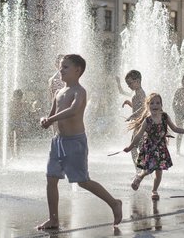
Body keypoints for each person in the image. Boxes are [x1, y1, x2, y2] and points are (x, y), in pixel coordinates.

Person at [37, 54, 122, 231]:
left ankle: (114, 203)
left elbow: (73, 110)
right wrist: (45, 119)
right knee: (51, 179)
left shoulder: (79, 91)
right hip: (58, 142)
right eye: (60, 67)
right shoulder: (58, 92)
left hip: (75, 142)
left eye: (65, 67)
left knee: (82, 181)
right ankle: (53, 219)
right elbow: (51, 113)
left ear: (78, 70)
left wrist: (51, 118)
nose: (61, 70)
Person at [123, 92, 184, 200]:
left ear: (161, 105)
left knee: (159, 172)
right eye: (152, 103)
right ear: (148, 106)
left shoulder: (164, 117)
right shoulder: (147, 120)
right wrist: (130, 147)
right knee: (149, 169)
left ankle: (154, 191)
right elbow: (139, 135)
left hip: (161, 148)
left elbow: (175, 129)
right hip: (149, 148)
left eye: (158, 103)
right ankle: (140, 176)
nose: (155, 105)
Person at [120, 70, 147, 168]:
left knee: (136, 148)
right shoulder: (136, 93)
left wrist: (132, 116)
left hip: (141, 125)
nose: (129, 86)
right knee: (137, 148)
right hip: (138, 125)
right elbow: (138, 108)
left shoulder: (141, 93)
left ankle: (140, 170)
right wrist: (130, 104)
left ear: (138, 81)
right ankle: (140, 170)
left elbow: (144, 108)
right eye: (128, 84)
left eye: (130, 83)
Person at [9, 88, 30, 159]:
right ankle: (13, 155)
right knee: (12, 138)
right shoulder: (11, 103)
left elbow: (25, 112)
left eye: (19, 97)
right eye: (16, 96)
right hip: (13, 122)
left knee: (17, 138)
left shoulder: (22, 104)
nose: (18, 98)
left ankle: (16, 154)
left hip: (17, 122)